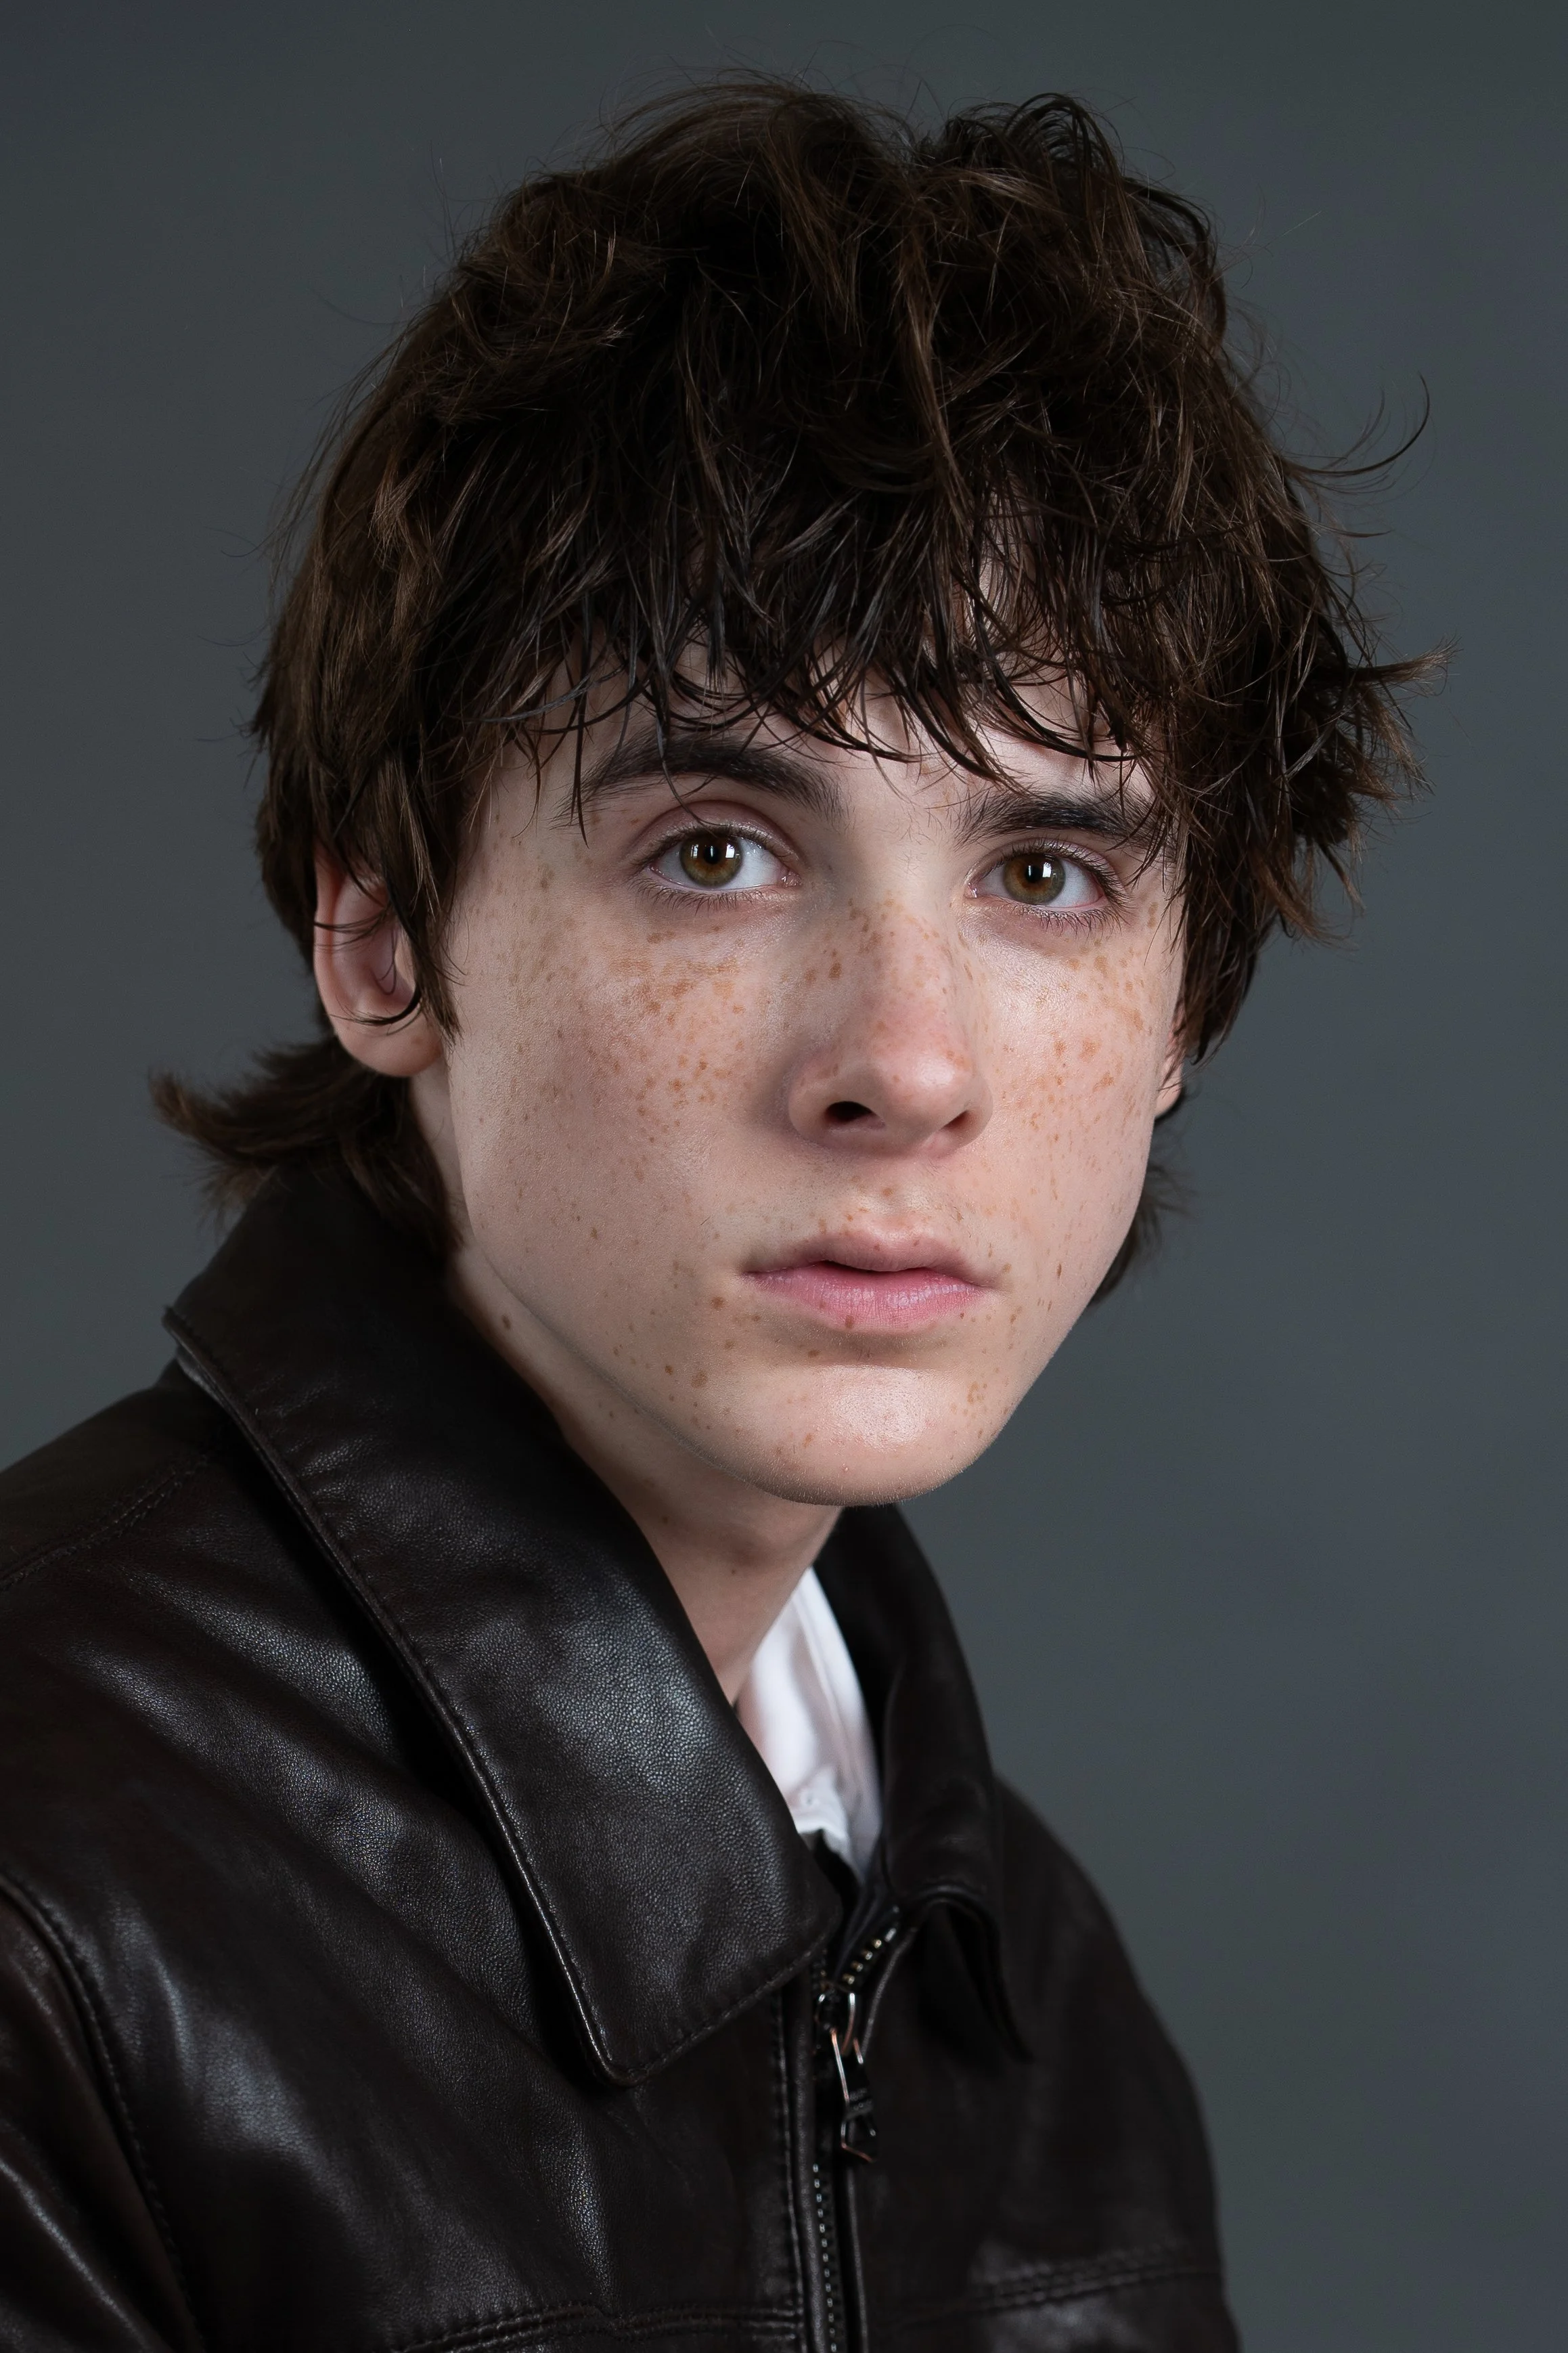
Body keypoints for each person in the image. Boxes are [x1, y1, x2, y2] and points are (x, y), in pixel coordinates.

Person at [0, 82, 1420, 2352]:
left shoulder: (1035, 1997)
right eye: (716, 851)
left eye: (1045, 872)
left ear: (1179, 1008)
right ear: (380, 939)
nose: (906, 1061)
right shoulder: (45, 1889)